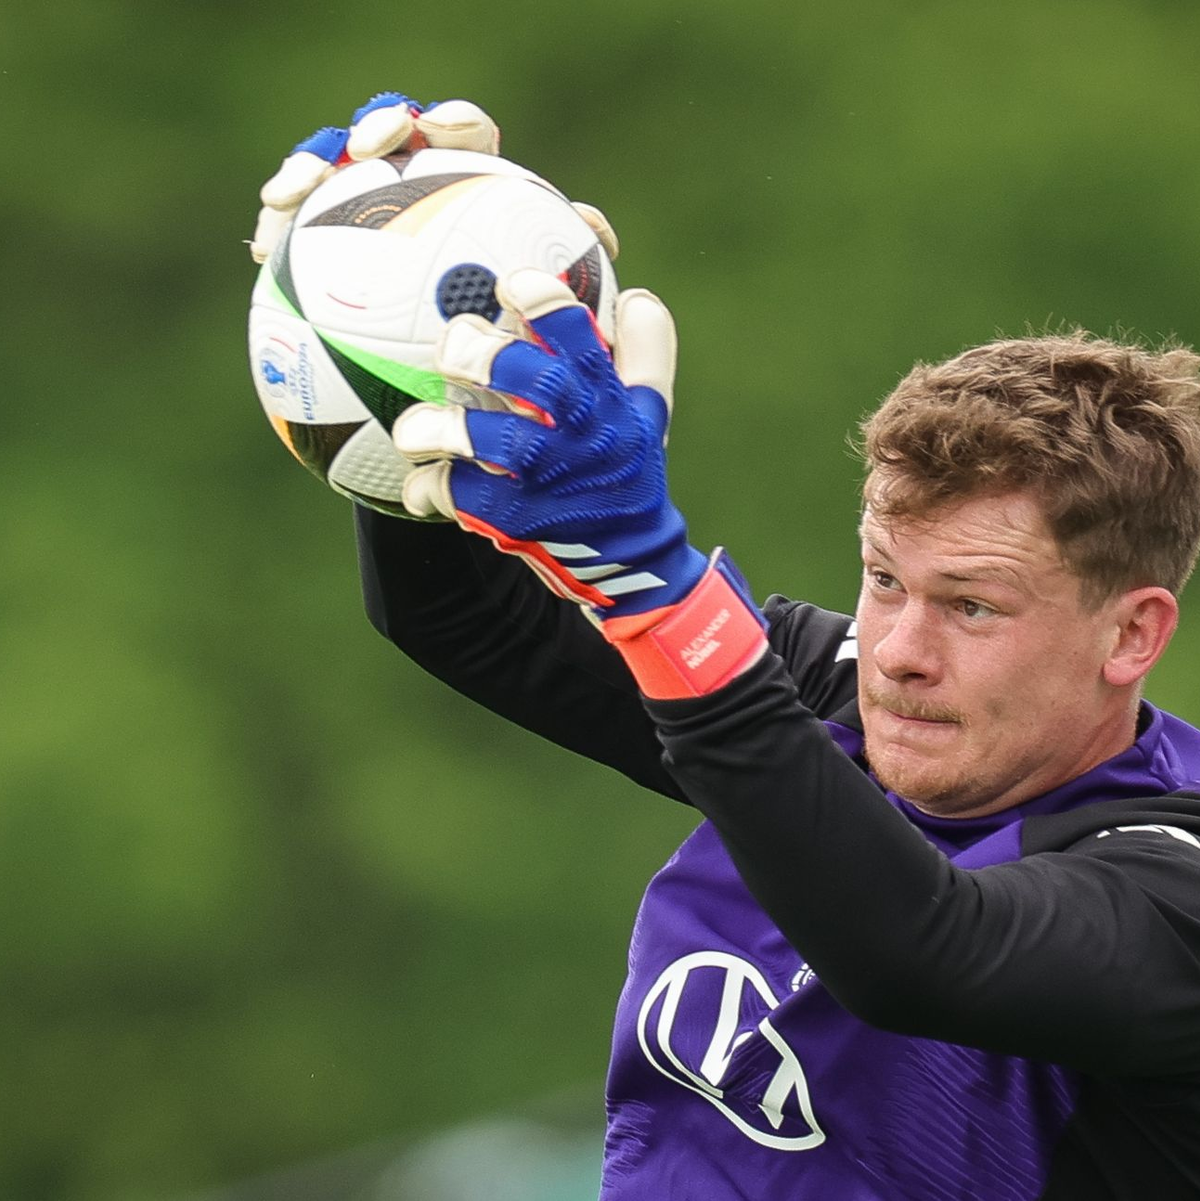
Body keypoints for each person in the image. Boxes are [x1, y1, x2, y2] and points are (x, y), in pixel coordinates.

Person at [255, 95, 1200, 1198]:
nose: (899, 650)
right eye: (886, 579)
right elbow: (466, 619)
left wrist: (661, 600)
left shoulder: (1168, 880)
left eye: (973, 606)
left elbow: (920, 952)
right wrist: (393, 348)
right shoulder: (836, 691)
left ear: (1132, 632)